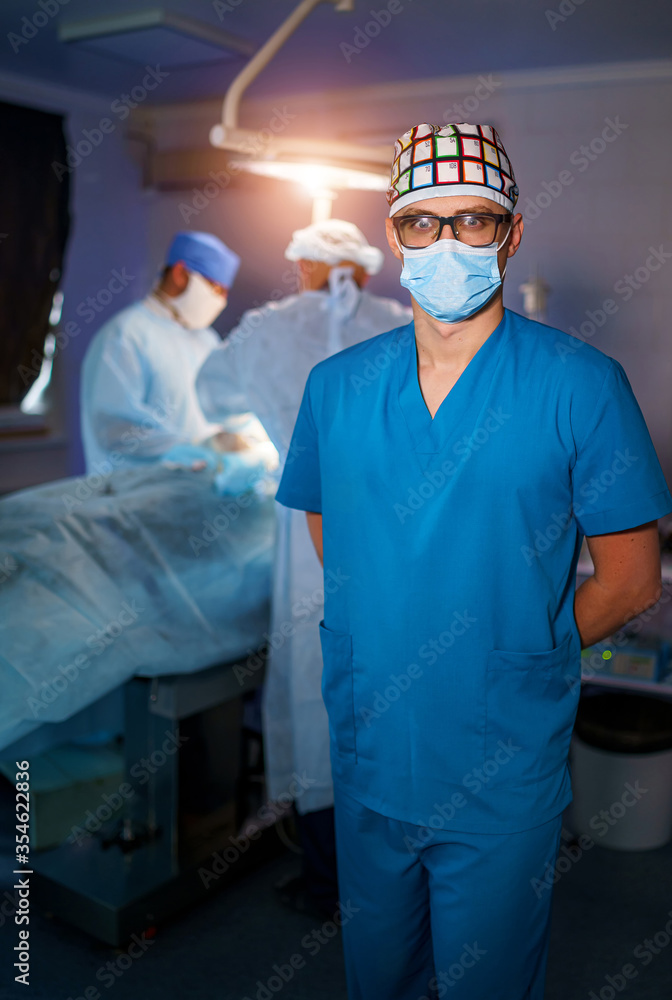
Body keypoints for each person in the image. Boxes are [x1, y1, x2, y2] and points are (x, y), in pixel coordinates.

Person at [275, 123, 672, 999]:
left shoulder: (578, 382)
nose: (446, 242)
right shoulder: (335, 387)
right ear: (392, 233)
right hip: (373, 736)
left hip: (499, 754)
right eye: (422, 223)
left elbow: (633, 578)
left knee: (484, 982)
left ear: (512, 232)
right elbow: (325, 525)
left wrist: (521, 652)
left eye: (473, 221)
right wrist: (383, 615)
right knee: (377, 974)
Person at [196, 219, 412, 919]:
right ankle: (395, 876)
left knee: (317, 696)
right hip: (398, 527)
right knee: (391, 689)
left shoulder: (266, 328)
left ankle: (328, 880)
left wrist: (263, 427)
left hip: (308, 532)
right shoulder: (403, 324)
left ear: (306, 266)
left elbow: (211, 396)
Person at [80, 231, 240, 473]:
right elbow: (115, 427)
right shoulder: (126, 335)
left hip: (198, 491)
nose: (221, 301)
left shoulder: (206, 339)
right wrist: (181, 450)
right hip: (135, 496)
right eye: (215, 289)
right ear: (179, 274)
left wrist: (234, 436)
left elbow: (221, 406)